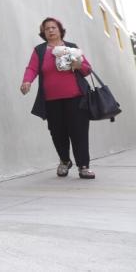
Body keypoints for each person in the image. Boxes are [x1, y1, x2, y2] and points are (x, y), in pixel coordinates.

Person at [20, 17, 95, 179]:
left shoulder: (72, 48)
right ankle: (64, 160)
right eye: (47, 28)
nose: (51, 30)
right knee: (57, 132)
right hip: (51, 100)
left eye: (54, 27)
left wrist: (78, 65)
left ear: (60, 30)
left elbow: (87, 69)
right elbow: (32, 68)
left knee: (79, 132)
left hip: (76, 98)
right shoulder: (39, 50)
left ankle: (83, 166)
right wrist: (27, 81)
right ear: (43, 32)